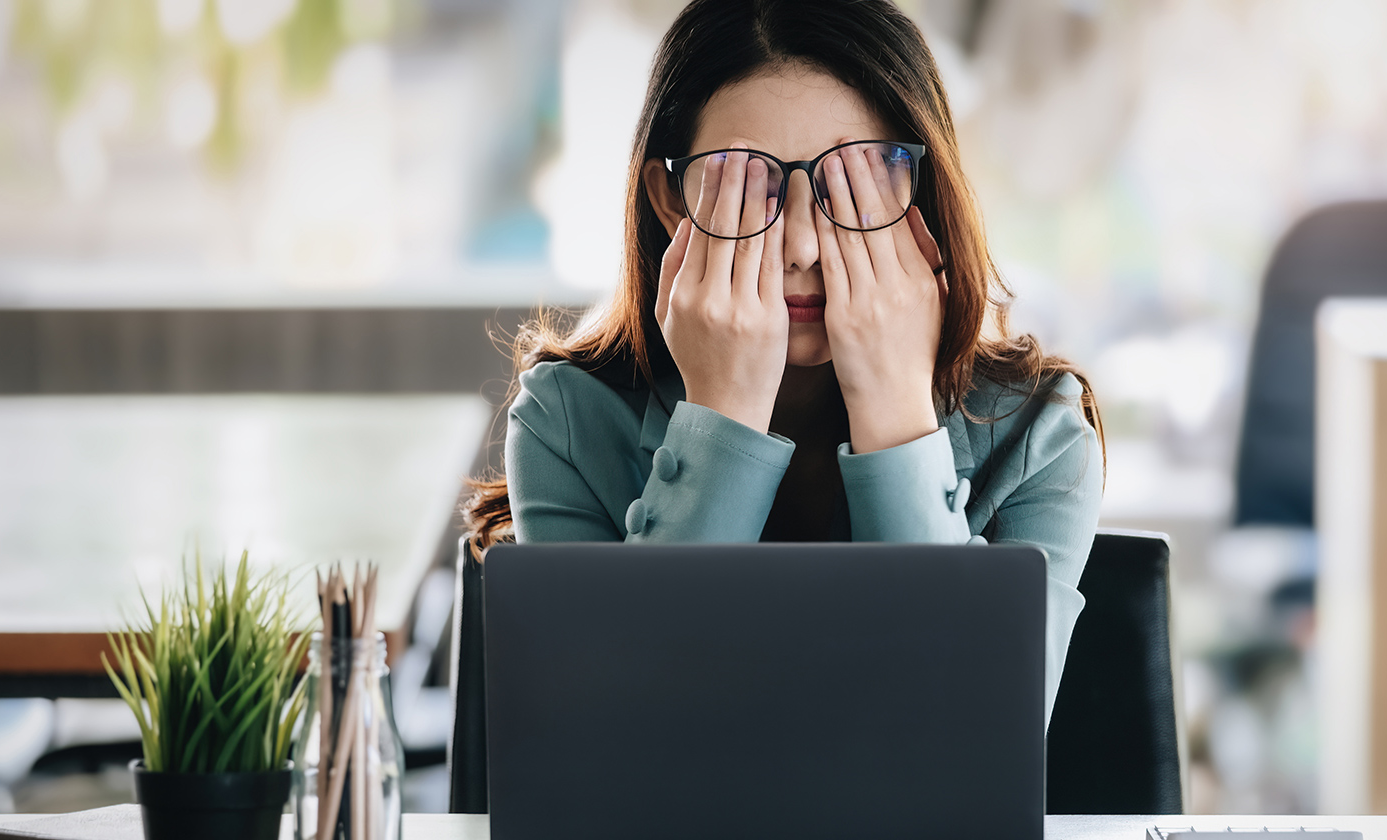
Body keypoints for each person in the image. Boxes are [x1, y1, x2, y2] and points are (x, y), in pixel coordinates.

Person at [464, 0, 1105, 719]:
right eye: (750, 187)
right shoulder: (568, 420)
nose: (801, 246)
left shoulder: (1040, 437)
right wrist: (722, 415)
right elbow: (614, 728)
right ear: (671, 202)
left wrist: (895, 406)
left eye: (850, 185)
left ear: (918, 195)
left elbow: (975, 733)